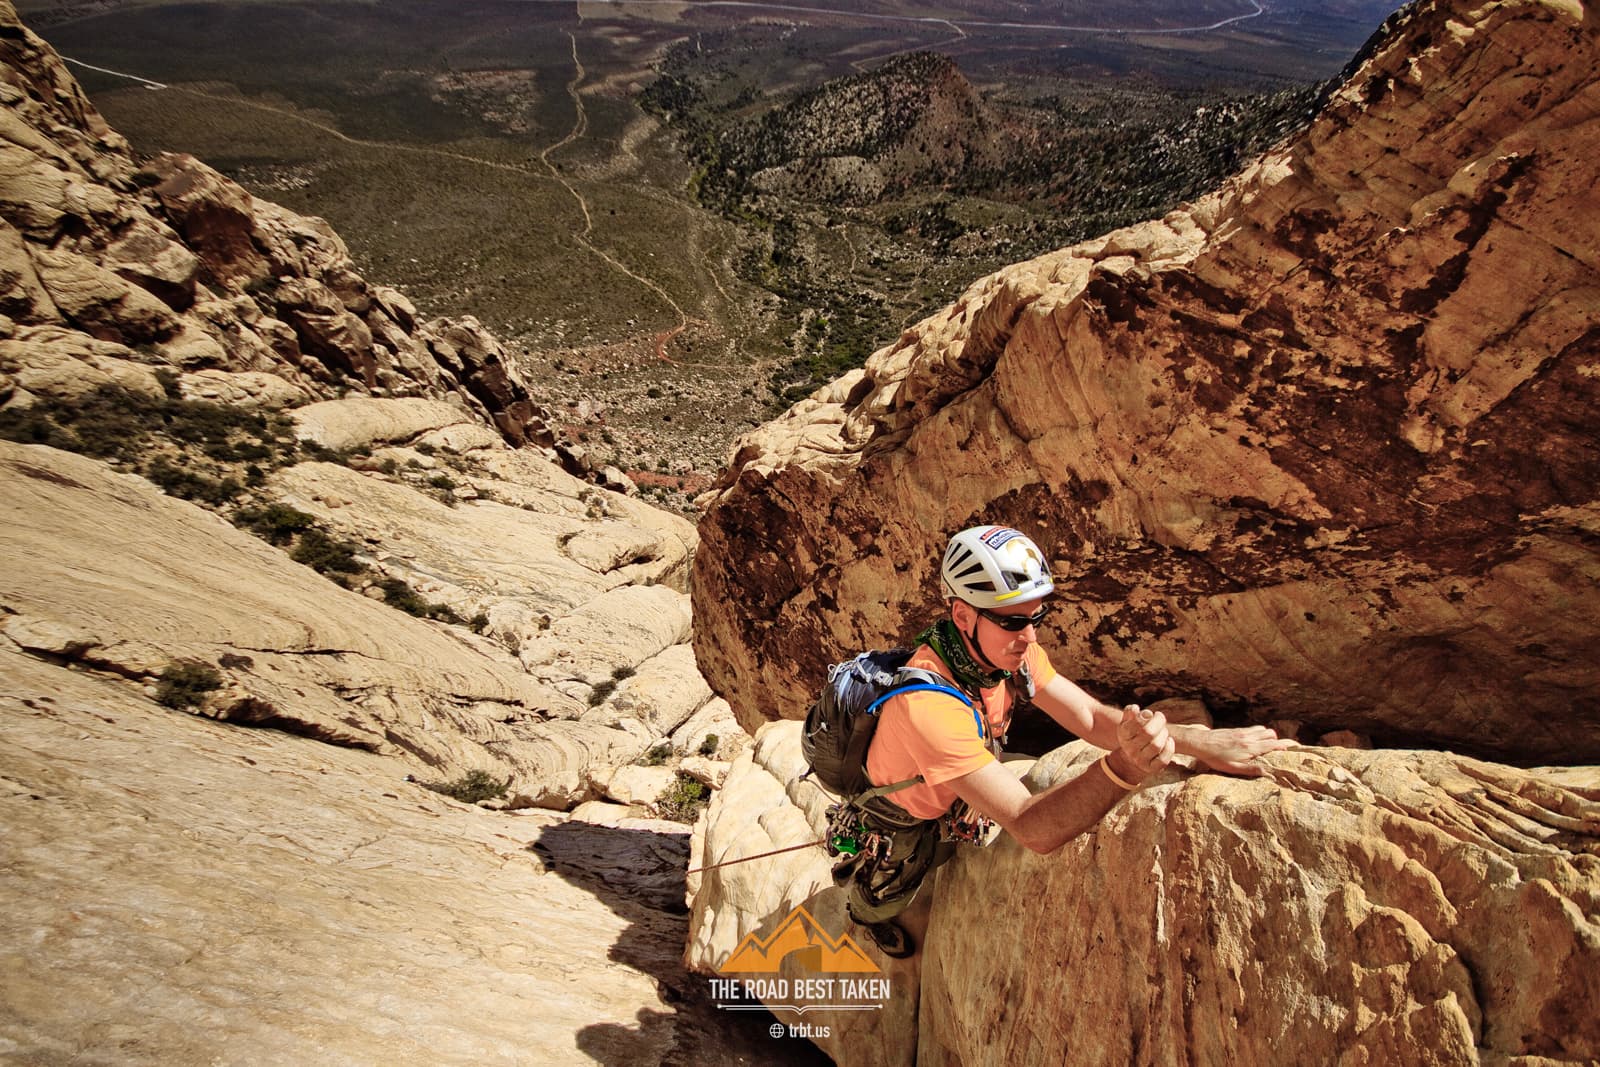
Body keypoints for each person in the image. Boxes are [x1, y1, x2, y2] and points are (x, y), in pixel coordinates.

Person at [837, 524, 1294, 957]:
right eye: (1013, 621)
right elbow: (1030, 826)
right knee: (894, 881)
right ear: (962, 615)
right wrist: (1126, 766)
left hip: (951, 789)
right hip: (901, 814)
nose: (1030, 636)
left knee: (943, 852)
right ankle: (865, 914)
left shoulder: (1006, 654)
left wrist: (1194, 739)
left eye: (1036, 615)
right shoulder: (927, 706)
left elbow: (1090, 717)